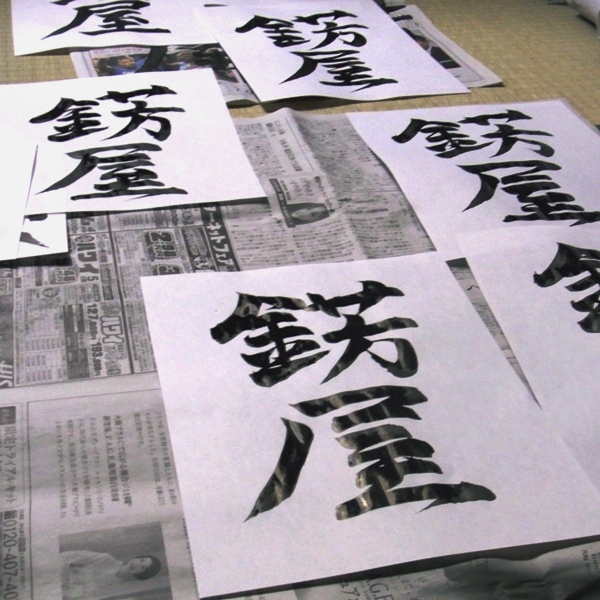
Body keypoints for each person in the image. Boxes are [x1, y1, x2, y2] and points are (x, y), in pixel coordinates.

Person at [60, 550, 161, 599]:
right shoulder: (105, 559)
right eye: (141, 560)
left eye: (143, 568)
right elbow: (67, 557)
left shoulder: (115, 588)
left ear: (141, 574)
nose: (137, 564)